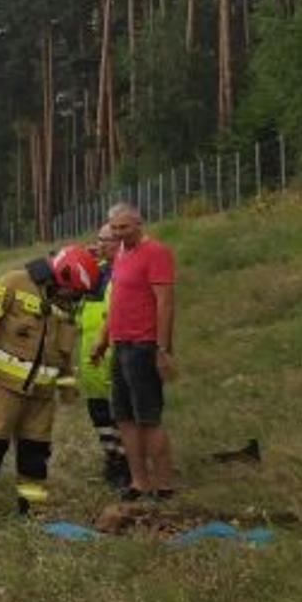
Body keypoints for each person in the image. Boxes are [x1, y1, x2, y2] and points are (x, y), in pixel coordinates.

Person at [0, 246, 97, 505]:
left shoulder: (66, 305)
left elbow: (64, 351)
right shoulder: (14, 282)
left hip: (42, 394)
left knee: (36, 452)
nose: (77, 298)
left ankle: (32, 505)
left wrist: (67, 385)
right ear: (63, 275)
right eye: (76, 291)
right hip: (4, 386)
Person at [91, 202, 178, 501]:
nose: (118, 234)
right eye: (114, 229)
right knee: (124, 417)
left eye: (124, 228)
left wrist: (162, 349)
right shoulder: (122, 255)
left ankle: (164, 484)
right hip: (120, 345)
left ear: (139, 224)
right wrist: (103, 340)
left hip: (143, 346)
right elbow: (115, 303)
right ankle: (139, 481)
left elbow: (165, 303)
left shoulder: (156, 253)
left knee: (148, 418)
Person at [80, 224, 131, 490]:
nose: (100, 244)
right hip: (89, 354)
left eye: (106, 240)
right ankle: (111, 457)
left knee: (121, 412)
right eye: (98, 239)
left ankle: (127, 463)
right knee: (98, 411)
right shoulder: (94, 271)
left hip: (115, 349)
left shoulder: (128, 268)